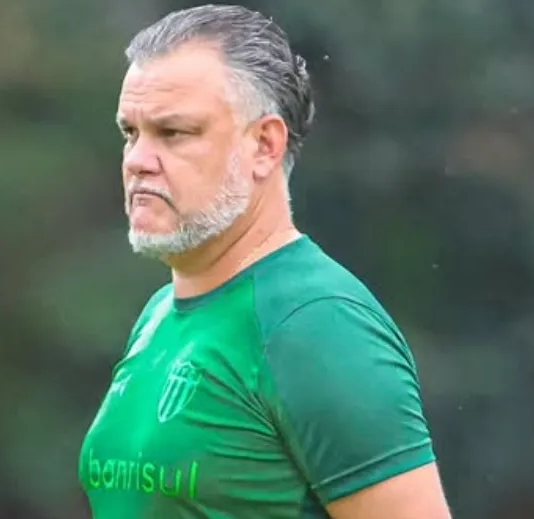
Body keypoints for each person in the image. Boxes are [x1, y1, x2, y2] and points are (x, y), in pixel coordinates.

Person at [78, 4, 452, 518]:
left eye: (174, 133)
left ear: (264, 145)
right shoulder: (161, 313)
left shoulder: (316, 323)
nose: (138, 160)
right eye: (130, 133)